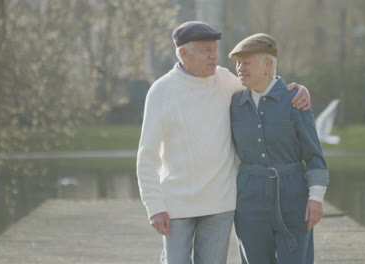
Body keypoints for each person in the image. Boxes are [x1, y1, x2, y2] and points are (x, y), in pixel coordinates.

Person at [136, 21, 311, 264]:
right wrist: (154, 206)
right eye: (206, 50)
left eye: (215, 49)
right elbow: (147, 156)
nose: (214, 56)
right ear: (183, 53)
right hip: (176, 205)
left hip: (220, 203)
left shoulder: (225, 80)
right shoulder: (161, 91)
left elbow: (263, 86)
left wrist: (297, 90)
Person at [229, 33, 329, 264]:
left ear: (268, 64)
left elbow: (314, 156)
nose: (239, 68)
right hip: (249, 198)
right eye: (237, 63)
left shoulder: (295, 99)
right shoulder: (234, 102)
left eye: (246, 62)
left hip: (294, 196)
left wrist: (316, 198)